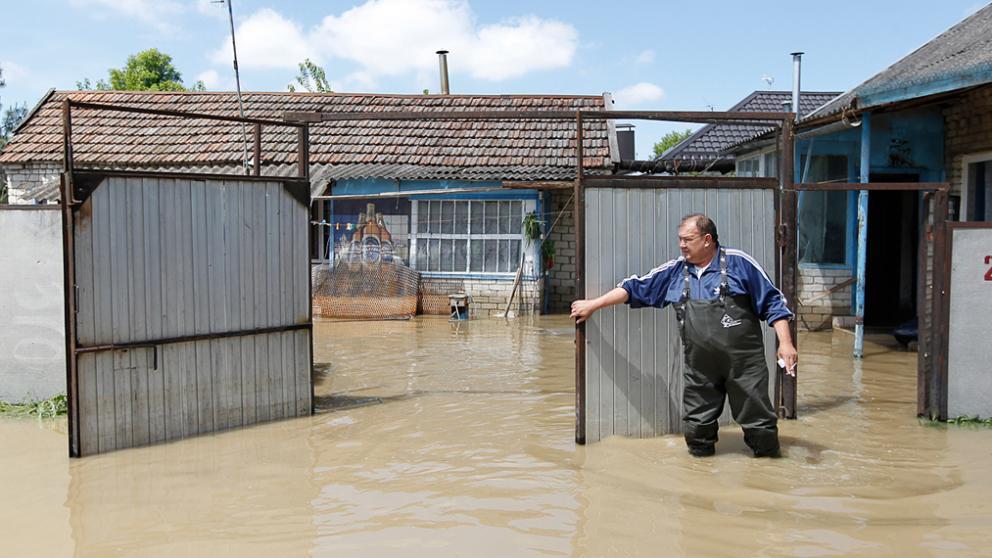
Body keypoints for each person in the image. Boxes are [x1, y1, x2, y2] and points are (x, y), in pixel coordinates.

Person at [570, 214, 798, 458]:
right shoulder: (676, 271)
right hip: (700, 367)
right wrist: (594, 304)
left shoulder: (740, 264)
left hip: (744, 366)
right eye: (680, 240)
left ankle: (768, 477)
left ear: (707, 239)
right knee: (696, 429)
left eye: (688, 239)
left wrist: (786, 343)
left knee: (759, 426)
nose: (682, 245)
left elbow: (774, 303)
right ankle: (699, 479)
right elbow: (633, 287)